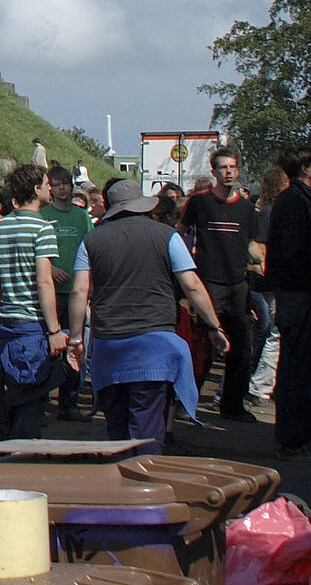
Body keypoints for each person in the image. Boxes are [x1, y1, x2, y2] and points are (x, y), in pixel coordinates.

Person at [68, 179, 229, 455]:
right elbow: (191, 285)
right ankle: (143, 474)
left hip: (110, 345)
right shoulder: (167, 236)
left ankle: (120, 471)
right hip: (155, 346)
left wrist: (75, 338)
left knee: (116, 422)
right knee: (147, 423)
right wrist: (214, 326)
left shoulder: (91, 240)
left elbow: (79, 290)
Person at [264, 149, 311, 458]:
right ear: (306, 167)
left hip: (301, 292)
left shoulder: (297, 201)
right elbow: (296, 250)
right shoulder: (296, 202)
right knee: (298, 365)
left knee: (302, 364)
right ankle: (293, 437)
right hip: (300, 294)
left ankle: (298, 434)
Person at [0, 166, 67, 440]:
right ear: (35, 189)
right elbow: (44, 281)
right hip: (32, 325)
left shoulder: (0, 227)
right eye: (46, 183)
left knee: (7, 395)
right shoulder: (43, 228)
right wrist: (54, 330)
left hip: (6, 323)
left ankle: (5, 449)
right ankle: (22, 456)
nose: (51, 188)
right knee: (30, 397)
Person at [180, 148, 262, 421]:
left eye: (232, 167)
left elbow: (253, 244)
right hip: (208, 284)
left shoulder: (247, 208)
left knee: (242, 347)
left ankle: (233, 405)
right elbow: (181, 232)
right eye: (223, 167)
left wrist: (261, 257)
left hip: (238, 284)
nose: (228, 172)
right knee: (204, 346)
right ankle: (185, 402)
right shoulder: (199, 202)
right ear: (214, 171)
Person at [38, 164, 94, 421]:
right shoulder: (43, 214)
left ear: (72, 187)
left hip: (76, 294)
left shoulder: (81, 217)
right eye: (57, 185)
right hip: (51, 293)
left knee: (76, 345)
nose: (62, 189)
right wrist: (50, 270)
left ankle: (69, 403)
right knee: (48, 348)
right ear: (50, 188)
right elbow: (35, 251)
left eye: (65, 185)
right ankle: (40, 401)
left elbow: (91, 248)